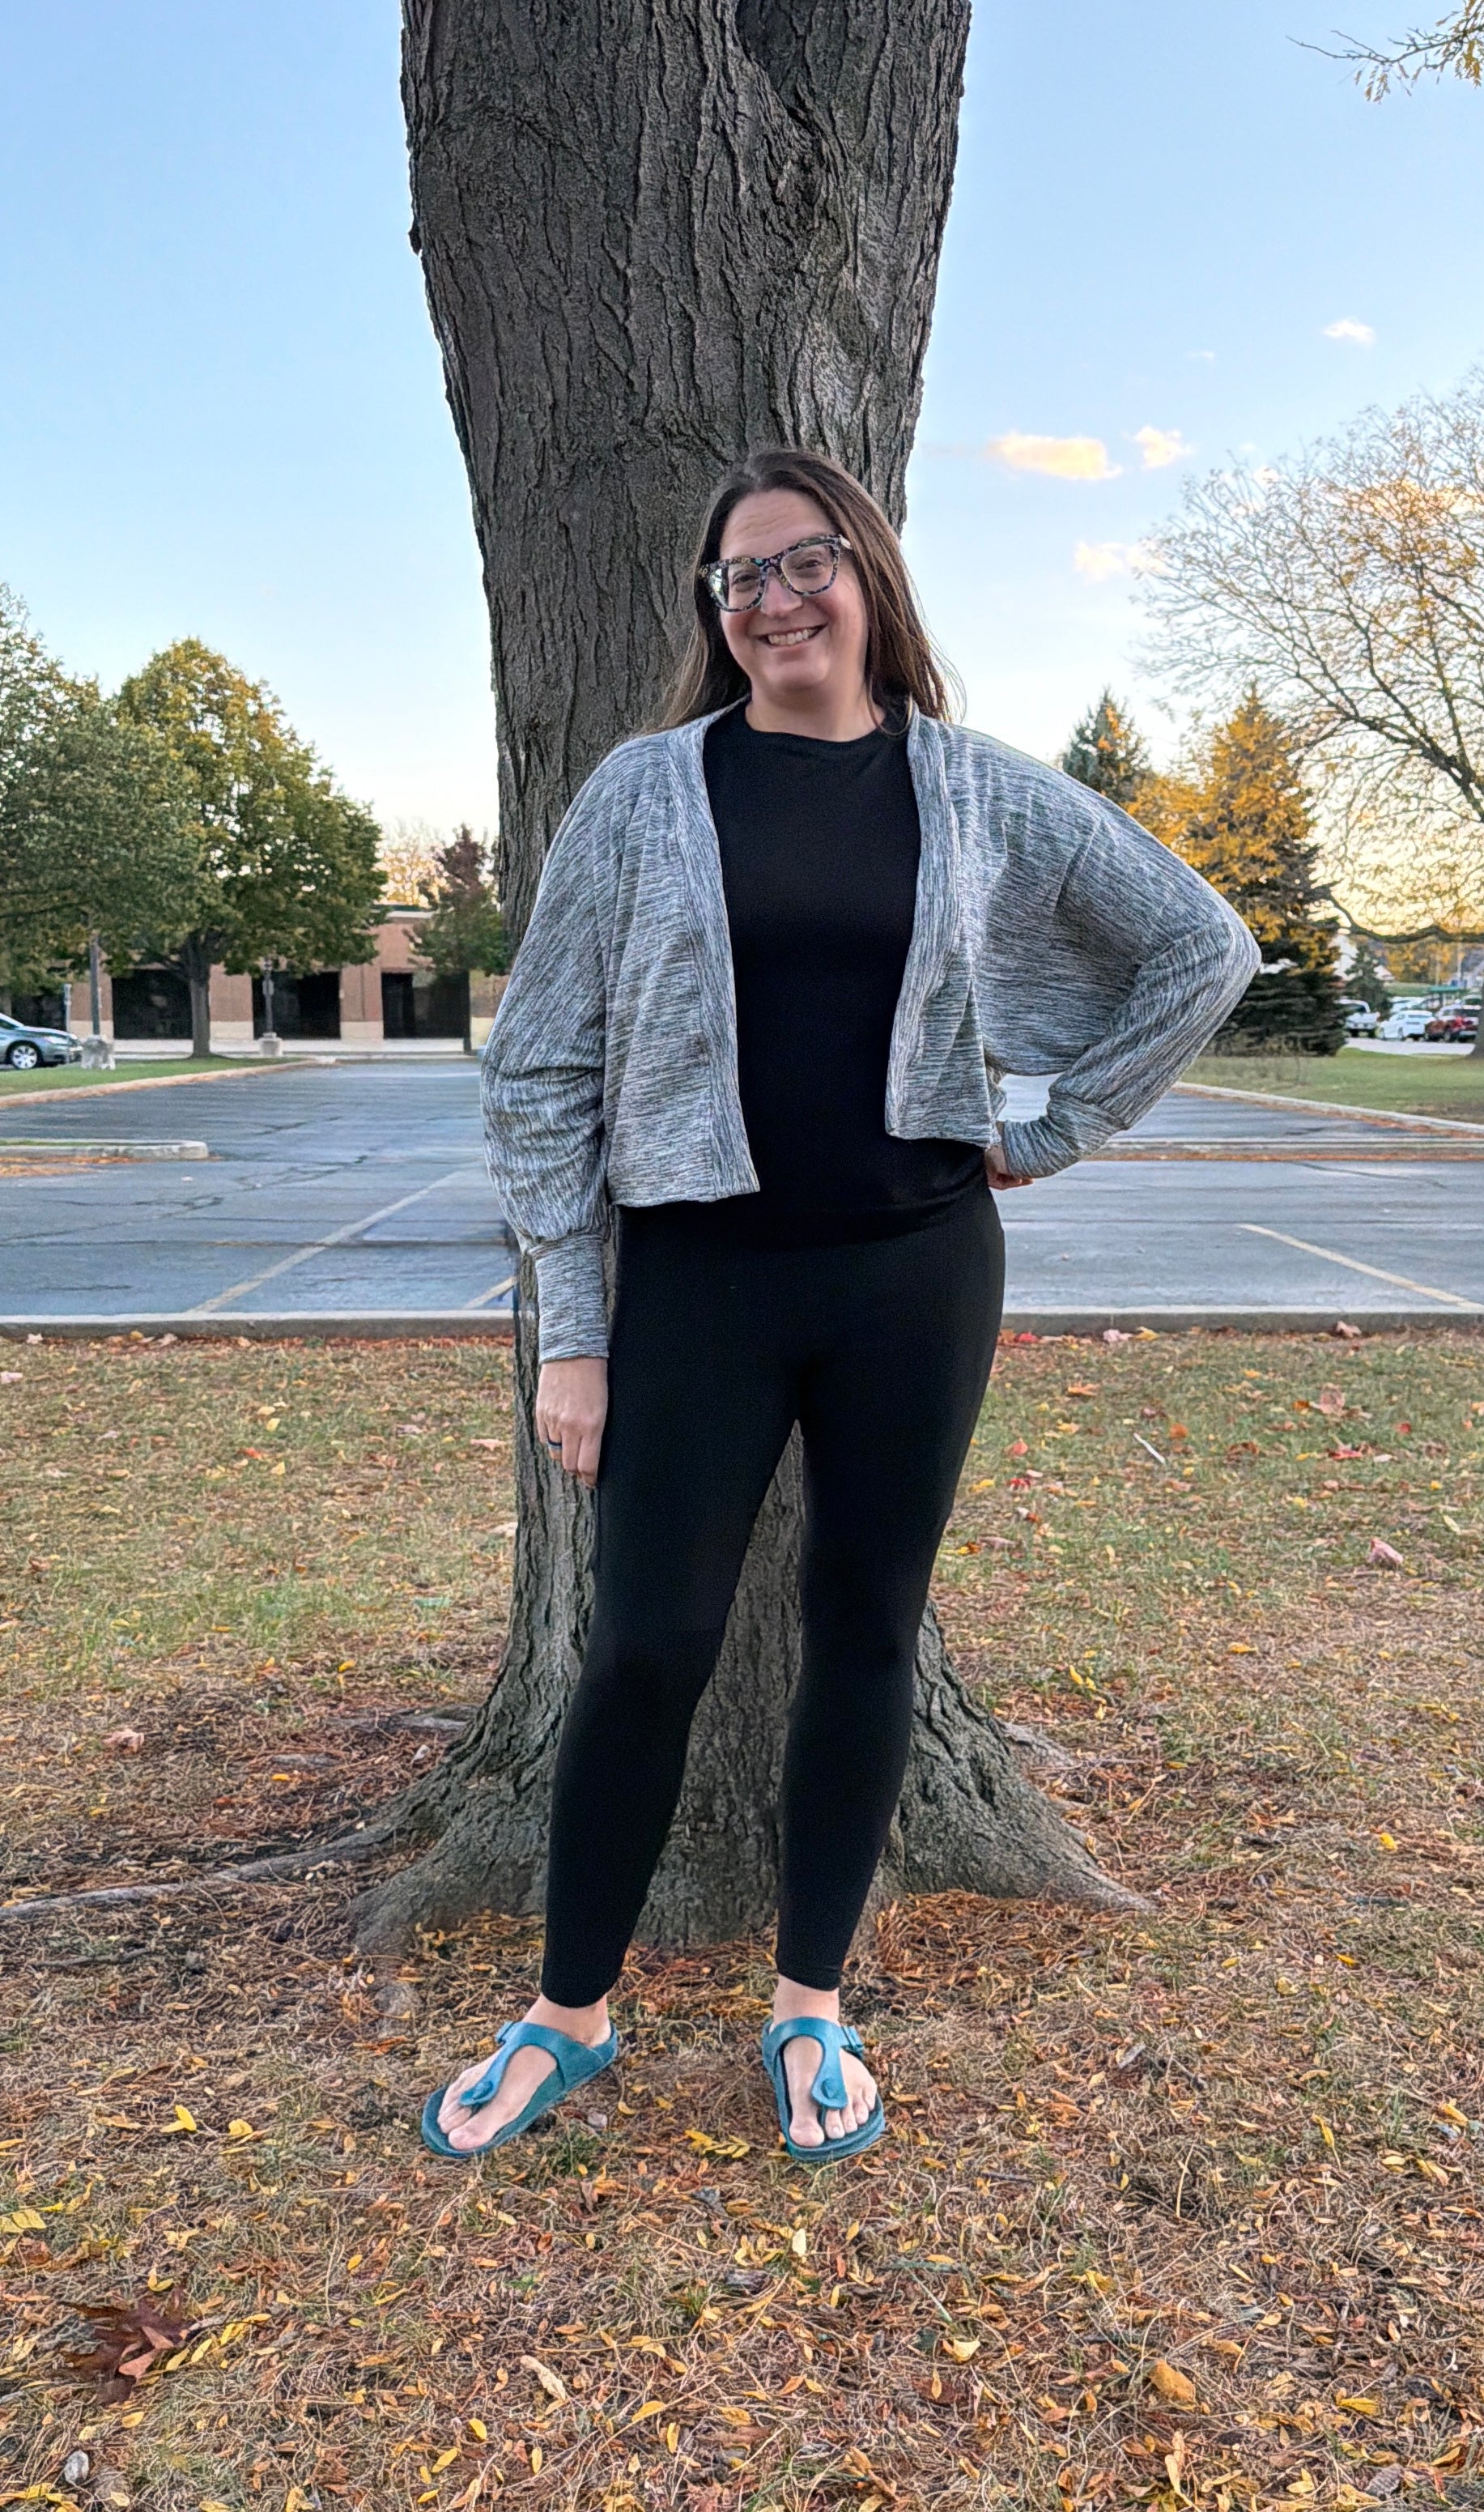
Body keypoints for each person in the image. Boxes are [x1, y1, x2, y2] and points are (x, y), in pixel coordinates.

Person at [422, 447, 1258, 2165]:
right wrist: (569, 1334)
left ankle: (809, 2007)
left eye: (804, 562)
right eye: (737, 580)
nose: (773, 600)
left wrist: (1053, 1128)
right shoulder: (645, 793)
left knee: (866, 1626)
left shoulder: (972, 789)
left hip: (911, 1275)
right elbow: (542, 1070)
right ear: (712, 617)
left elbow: (1201, 948)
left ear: (867, 577)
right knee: (644, 1640)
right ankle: (569, 2012)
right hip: (694, 1287)